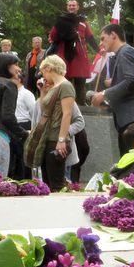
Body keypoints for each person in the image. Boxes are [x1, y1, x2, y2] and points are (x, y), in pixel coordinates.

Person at [90, 24, 134, 152]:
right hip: (132, 119)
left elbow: (132, 81)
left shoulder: (126, 51)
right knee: (133, 166)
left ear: (113, 35)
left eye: (103, 38)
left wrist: (104, 93)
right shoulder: (122, 54)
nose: (101, 43)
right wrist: (108, 105)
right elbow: (128, 88)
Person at [35, 54, 78, 191]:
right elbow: (45, 111)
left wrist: (61, 139)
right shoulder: (54, 87)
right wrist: (43, 92)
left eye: (43, 72)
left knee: (56, 183)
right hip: (48, 137)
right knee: (47, 182)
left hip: (57, 139)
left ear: (49, 68)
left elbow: (67, 114)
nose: (43, 76)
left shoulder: (65, 86)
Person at [48, 0, 99, 99]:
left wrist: (98, 50)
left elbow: (89, 37)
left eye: (73, 5)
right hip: (65, 52)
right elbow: (53, 36)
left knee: (80, 79)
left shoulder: (83, 21)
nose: (71, 7)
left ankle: (81, 101)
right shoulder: (61, 21)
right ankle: (65, 100)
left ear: (77, 7)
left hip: (80, 53)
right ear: (67, 7)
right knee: (65, 78)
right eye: (70, 5)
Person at [9, 73, 36, 180]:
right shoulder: (9, 92)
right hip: (12, 126)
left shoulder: (26, 94)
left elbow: (33, 112)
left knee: (22, 156)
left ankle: (24, 179)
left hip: (24, 124)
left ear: (19, 79)